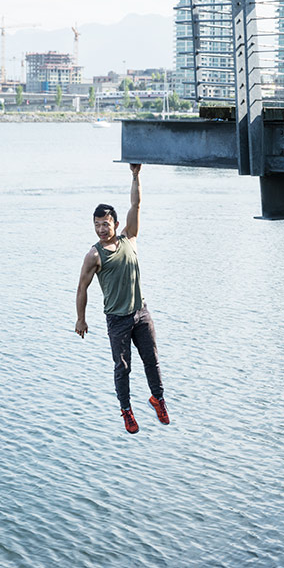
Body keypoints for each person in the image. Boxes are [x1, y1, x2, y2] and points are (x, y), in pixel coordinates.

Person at [75, 163, 170, 434]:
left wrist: (136, 174)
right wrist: (81, 318)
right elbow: (82, 287)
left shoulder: (130, 238)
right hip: (117, 319)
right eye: (97, 225)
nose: (101, 229)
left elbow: (136, 204)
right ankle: (126, 411)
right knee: (123, 367)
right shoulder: (94, 255)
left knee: (151, 359)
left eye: (105, 224)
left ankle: (158, 399)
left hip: (141, 312)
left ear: (115, 224)